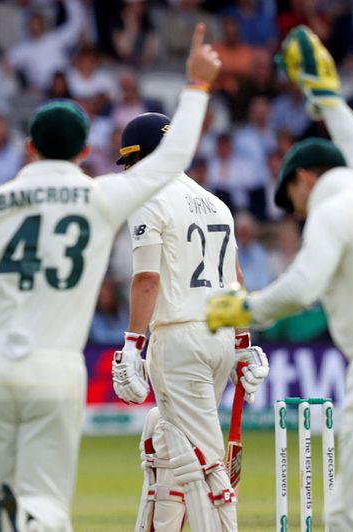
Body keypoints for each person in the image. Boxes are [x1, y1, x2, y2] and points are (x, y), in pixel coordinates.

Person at [0, 25, 220, 532]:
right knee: (46, 505)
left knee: (4, 495)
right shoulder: (100, 196)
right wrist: (195, 87)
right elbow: (173, 158)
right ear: (85, 151)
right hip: (56, 371)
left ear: (31, 147)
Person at [206, 26, 353, 531]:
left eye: (292, 197)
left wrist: (244, 308)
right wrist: (328, 97)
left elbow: (302, 287)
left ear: (306, 178)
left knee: (351, 521)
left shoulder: (334, 207)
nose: (297, 211)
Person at [111, 111, 269, 531]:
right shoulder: (215, 202)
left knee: (204, 463)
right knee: (162, 435)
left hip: (179, 340)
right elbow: (236, 280)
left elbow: (147, 277)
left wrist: (131, 343)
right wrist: (242, 344)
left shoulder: (150, 198)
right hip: (217, 339)